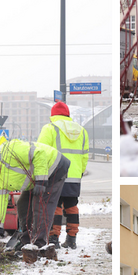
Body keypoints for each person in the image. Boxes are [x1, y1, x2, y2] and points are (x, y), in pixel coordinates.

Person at [0, 138, 70, 249]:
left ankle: (38, 244)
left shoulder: (9, 152)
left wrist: (41, 181)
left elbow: (39, 154)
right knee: (23, 204)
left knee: (40, 205)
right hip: (36, 178)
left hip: (54, 166)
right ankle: (26, 241)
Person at [36, 101, 88, 249]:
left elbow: (40, 152)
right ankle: (72, 239)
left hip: (55, 174)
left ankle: (54, 239)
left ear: (53, 115)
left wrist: (40, 174)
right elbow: (84, 156)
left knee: (55, 206)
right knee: (72, 206)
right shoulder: (82, 131)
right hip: (74, 176)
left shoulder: (50, 128)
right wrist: (79, 172)